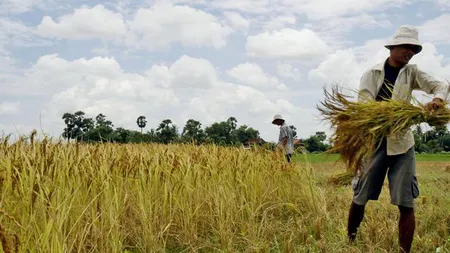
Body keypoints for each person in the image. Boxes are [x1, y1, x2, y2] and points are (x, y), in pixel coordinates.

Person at [347, 25, 449, 253]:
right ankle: (350, 241)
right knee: (360, 196)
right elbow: (364, 107)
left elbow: (440, 85)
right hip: (375, 143)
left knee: (406, 202)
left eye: (413, 48)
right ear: (393, 47)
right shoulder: (372, 74)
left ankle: (405, 251)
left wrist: (438, 99)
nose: (410, 52)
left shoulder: (412, 72)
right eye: (406, 47)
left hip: (403, 144)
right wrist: (390, 114)